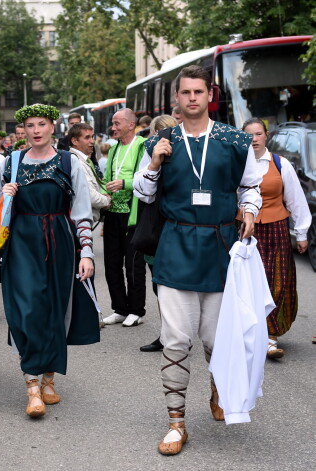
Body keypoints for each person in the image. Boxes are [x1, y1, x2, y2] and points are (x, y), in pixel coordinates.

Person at [133, 65, 261, 455]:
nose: (191, 98)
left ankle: (217, 386)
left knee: (213, 338)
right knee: (175, 339)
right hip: (175, 245)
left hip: (221, 246)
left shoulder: (236, 141)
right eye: (185, 93)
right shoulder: (161, 140)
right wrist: (154, 162)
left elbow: (251, 186)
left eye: (198, 92)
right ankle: (176, 424)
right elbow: (142, 191)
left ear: (210, 95)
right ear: (177, 98)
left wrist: (251, 212)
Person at [0, 104, 100, 418]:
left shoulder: (70, 162)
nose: (36, 130)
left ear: (53, 127)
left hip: (59, 240)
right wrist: (4, 195)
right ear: (23, 130)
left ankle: (49, 377)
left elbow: (81, 212)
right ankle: (31, 385)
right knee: (26, 311)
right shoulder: (12, 162)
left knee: (55, 310)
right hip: (21, 243)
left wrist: (88, 253)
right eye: (29, 125)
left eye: (42, 124)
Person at [240, 118, 310, 359]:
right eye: (249, 135)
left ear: (266, 136)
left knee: (276, 281)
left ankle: (271, 335)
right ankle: (248, 332)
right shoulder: (236, 164)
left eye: (258, 134)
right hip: (244, 229)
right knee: (245, 283)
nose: (254, 139)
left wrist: (301, 233)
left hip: (276, 229)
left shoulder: (281, 164)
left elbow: (296, 200)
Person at [100, 108, 147, 327]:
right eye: (112, 123)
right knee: (112, 262)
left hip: (133, 213)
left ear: (131, 125)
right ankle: (120, 308)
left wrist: (124, 184)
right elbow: (108, 177)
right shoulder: (113, 148)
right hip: (113, 212)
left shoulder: (142, 146)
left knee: (133, 265)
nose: (113, 127)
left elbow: (146, 178)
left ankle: (136, 310)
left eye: (117, 123)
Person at [137, 115, 178, 353]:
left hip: (160, 223)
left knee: (162, 284)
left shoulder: (151, 150)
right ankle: (171, 333)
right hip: (175, 222)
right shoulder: (179, 150)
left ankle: (170, 335)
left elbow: (143, 192)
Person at [67, 122, 111, 223]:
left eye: (92, 137)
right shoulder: (77, 162)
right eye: (87, 138)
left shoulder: (78, 159)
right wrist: (107, 200)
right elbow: (90, 196)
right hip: (81, 222)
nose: (92, 141)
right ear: (74, 141)